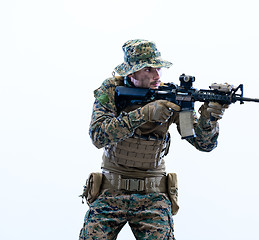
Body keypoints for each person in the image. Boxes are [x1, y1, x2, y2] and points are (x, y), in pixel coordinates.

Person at [79, 39, 229, 240]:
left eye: (158, 68)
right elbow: (98, 135)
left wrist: (209, 118)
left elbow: (204, 144)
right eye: (148, 69)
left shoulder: (170, 95)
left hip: (153, 195)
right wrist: (145, 114)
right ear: (131, 72)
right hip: (110, 191)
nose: (156, 75)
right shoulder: (111, 90)